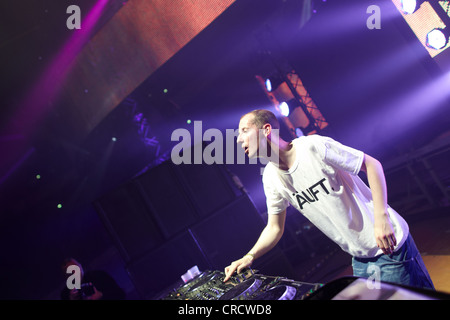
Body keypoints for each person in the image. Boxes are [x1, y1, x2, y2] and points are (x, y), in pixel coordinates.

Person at [223, 109, 434, 290]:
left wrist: (382, 219)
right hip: (360, 257)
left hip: (389, 246)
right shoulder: (270, 177)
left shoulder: (312, 146)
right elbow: (274, 228)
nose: (239, 139)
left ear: (266, 130)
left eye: (244, 131)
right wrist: (249, 256)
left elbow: (372, 165)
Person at [60, 257, 126, 300]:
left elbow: (120, 294)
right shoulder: (66, 294)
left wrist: (101, 295)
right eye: (69, 272)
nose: (74, 272)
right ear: (66, 276)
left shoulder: (98, 276)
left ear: (80, 266)